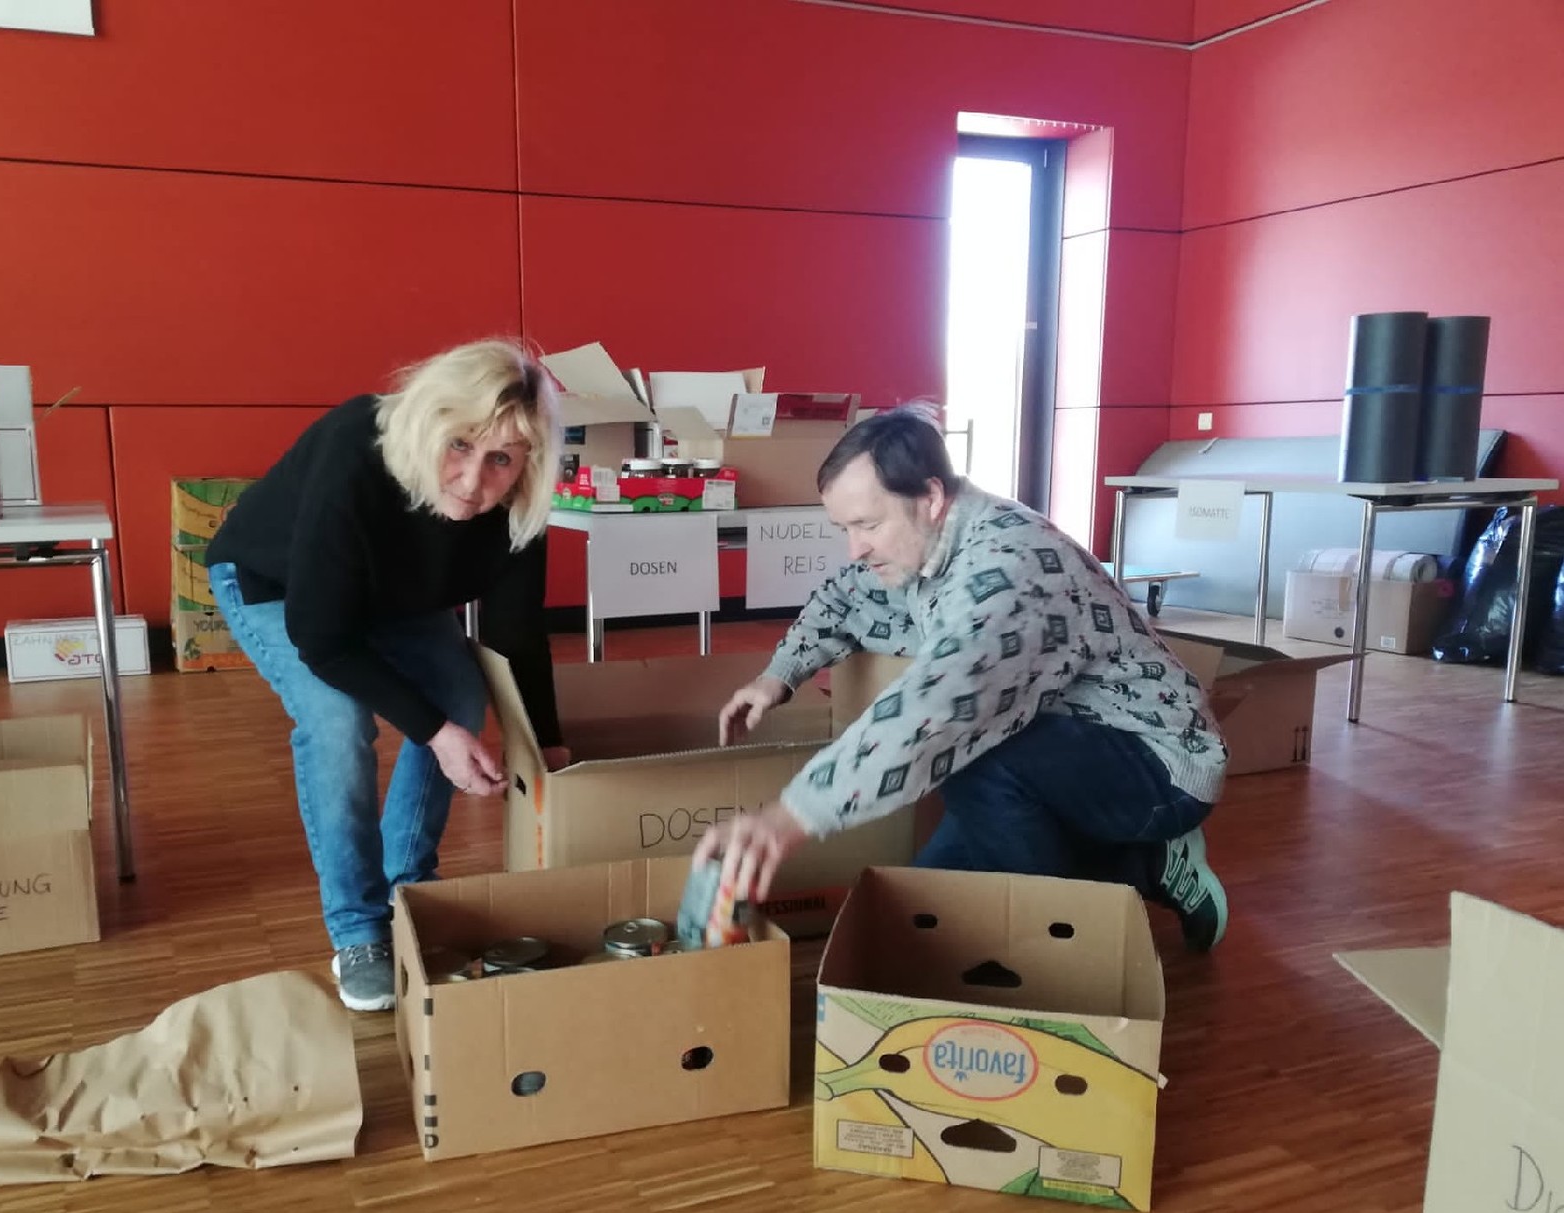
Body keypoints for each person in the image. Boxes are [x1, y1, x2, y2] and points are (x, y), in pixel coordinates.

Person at [694, 403, 1231, 950]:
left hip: (1155, 765)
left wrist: (788, 819)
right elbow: (843, 596)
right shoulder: (921, 543)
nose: (855, 547)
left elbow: (933, 712)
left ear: (930, 497)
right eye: (845, 528)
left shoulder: (1009, 569)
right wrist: (777, 676)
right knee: (918, 914)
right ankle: (1127, 863)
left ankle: (1098, 909)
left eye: (868, 525)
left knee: (975, 764)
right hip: (1047, 746)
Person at [206, 338, 570, 1012]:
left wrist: (546, 744)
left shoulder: (520, 506)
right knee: (337, 722)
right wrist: (436, 734)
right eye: (459, 446)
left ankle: (410, 882)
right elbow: (323, 639)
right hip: (277, 585)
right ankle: (359, 928)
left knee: (460, 694)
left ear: (528, 462)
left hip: (394, 597)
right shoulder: (356, 450)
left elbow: (516, 634)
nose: (472, 481)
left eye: (501, 459)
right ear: (431, 423)